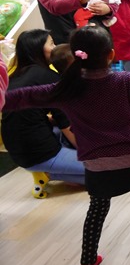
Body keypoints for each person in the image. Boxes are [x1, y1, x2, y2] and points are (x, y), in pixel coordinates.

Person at [2, 25, 130, 265]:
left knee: (96, 211)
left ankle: (87, 262)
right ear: (111, 54)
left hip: (95, 166)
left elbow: (21, 97)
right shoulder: (125, 81)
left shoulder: (66, 89)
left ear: (75, 55)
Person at [1, 30, 85, 194]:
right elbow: (66, 124)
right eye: (51, 43)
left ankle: (57, 169)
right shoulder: (48, 76)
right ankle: (50, 172)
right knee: (104, 172)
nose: (55, 47)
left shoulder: (16, 74)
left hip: (17, 150)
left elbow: (34, 115)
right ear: (38, 48)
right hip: (39, 152)